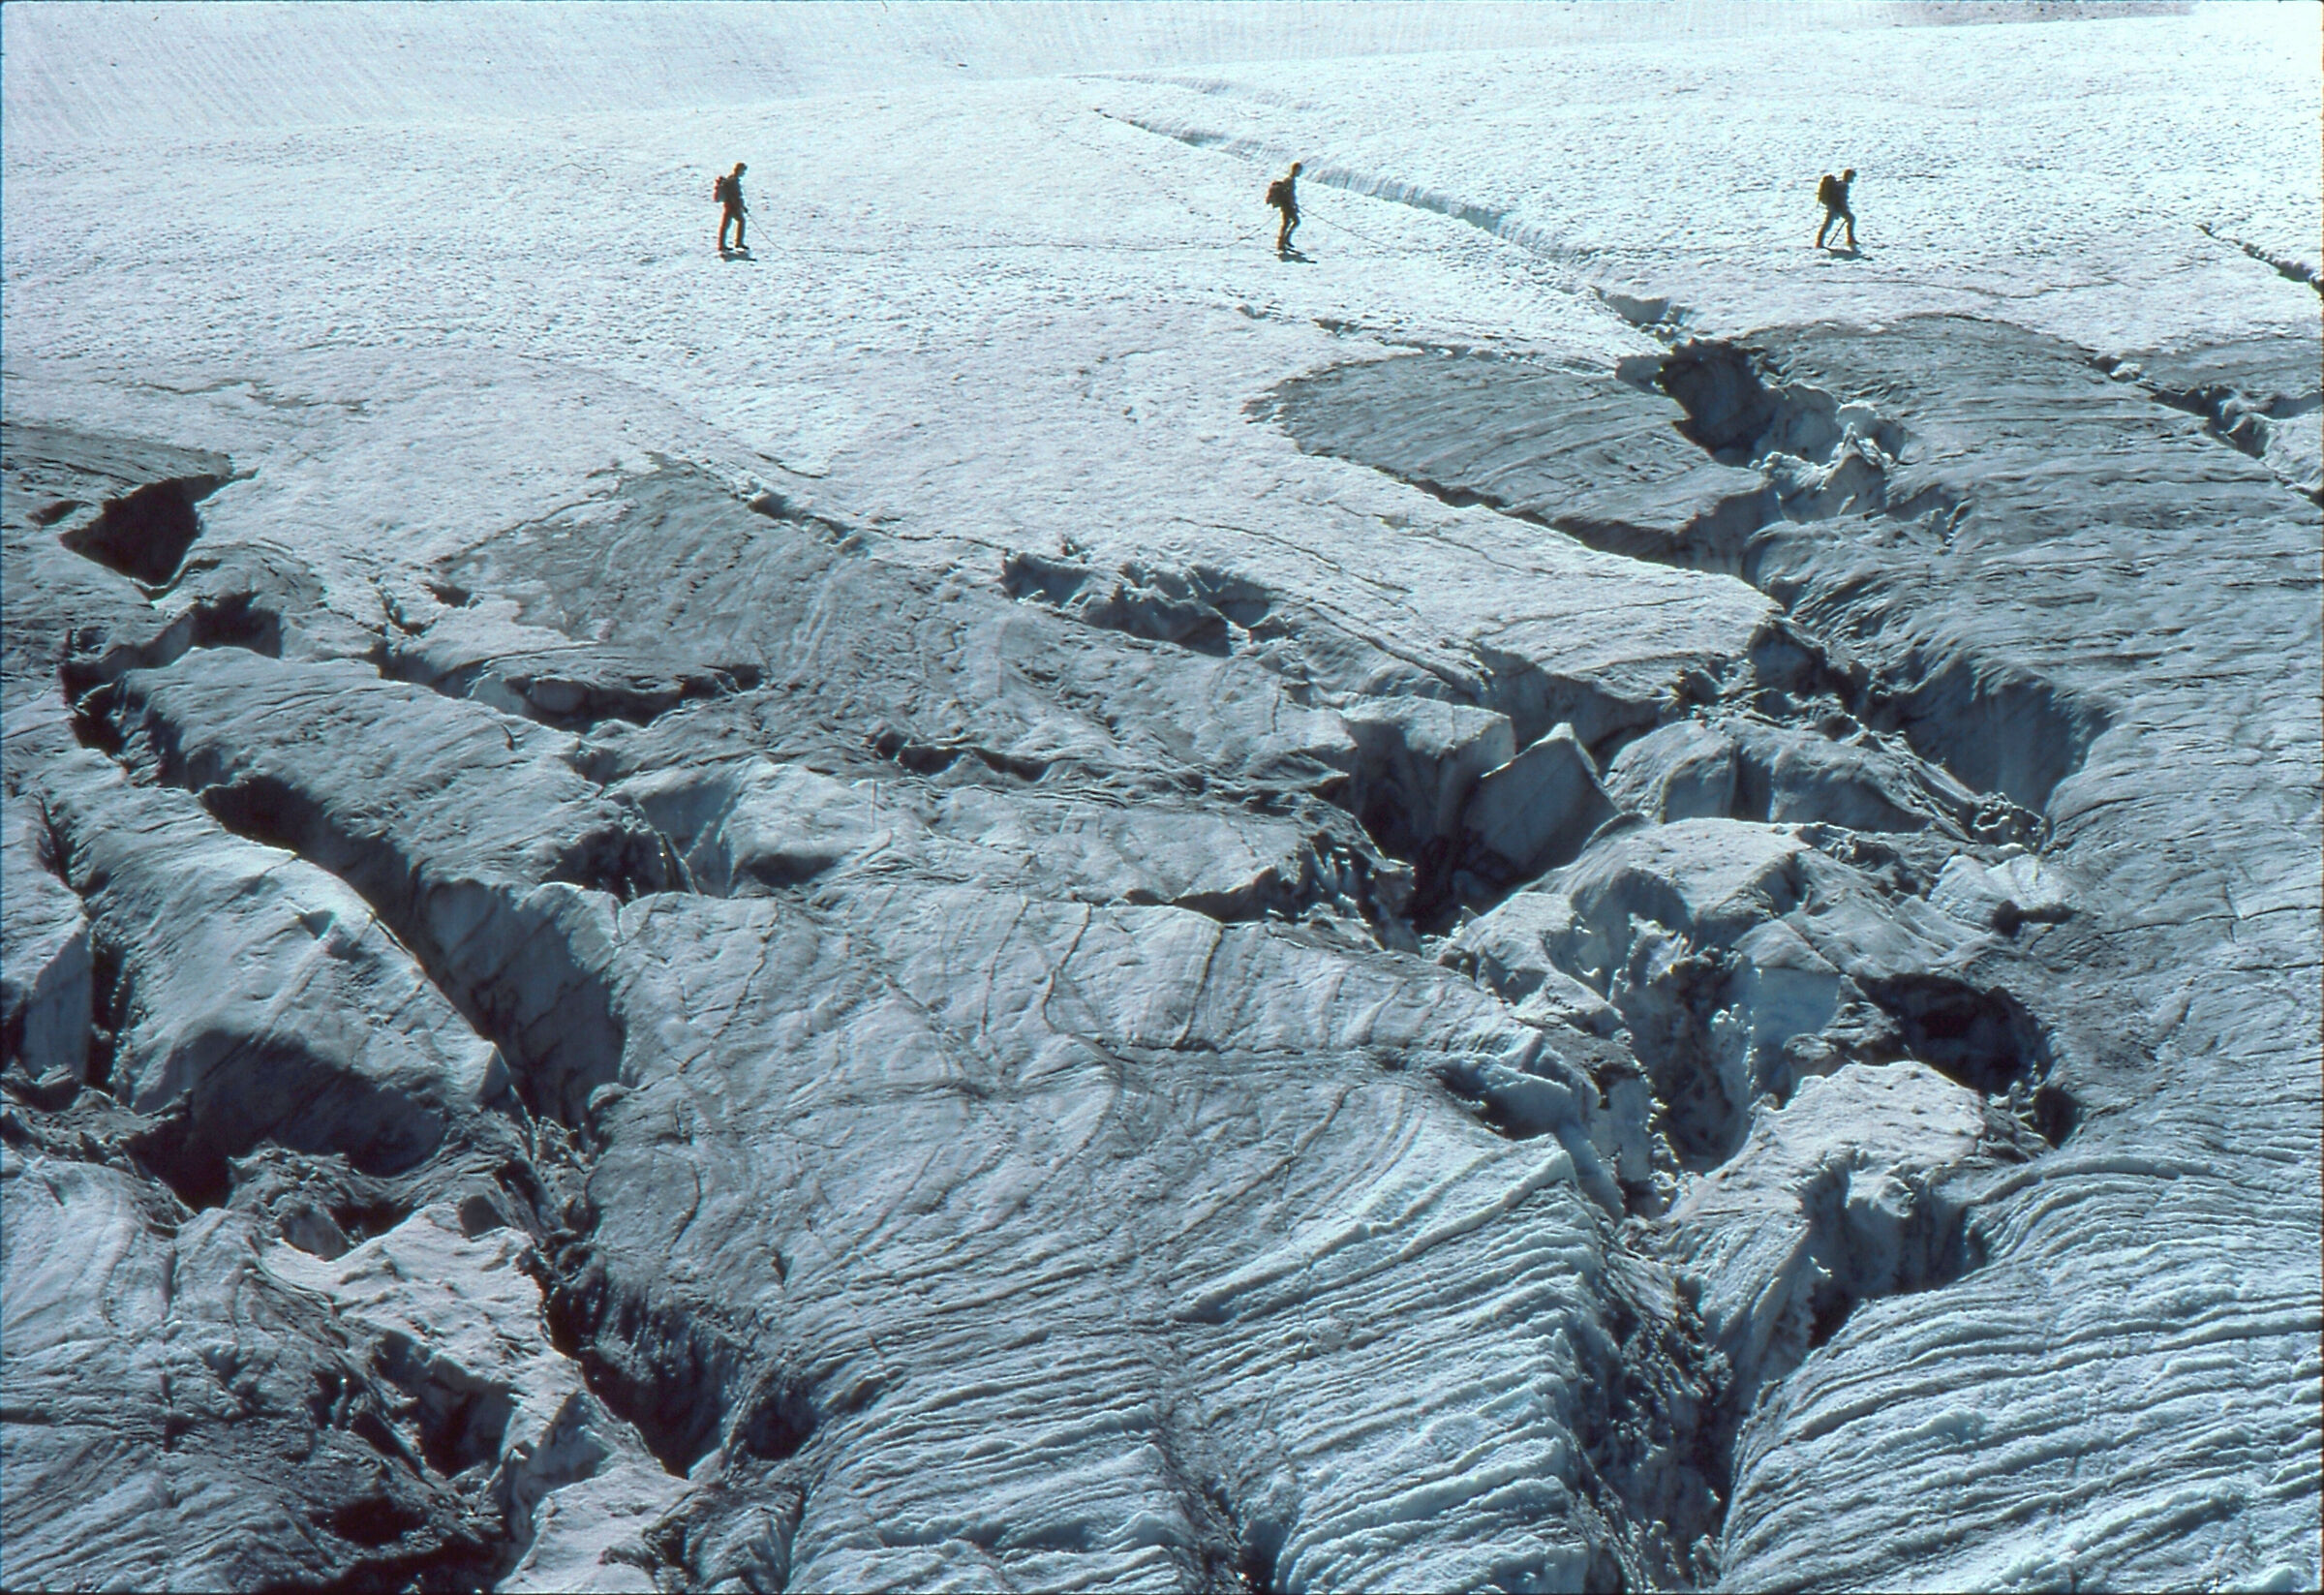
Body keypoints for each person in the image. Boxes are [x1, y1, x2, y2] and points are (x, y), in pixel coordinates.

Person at [1816, 169, 1857, 251]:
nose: (1852, 179)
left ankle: (1850, 238)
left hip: (1836, 208)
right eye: (1852, 177)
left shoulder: (1841, 185)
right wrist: (1841, 210)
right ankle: (1819, 242)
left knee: (1850, 219)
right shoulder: (1843, 186)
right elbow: (1841, 200)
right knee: (1828, 225)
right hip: (1836, 208)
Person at [1266, 161, 1302, 255]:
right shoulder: (1289, 180)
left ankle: (1283, 241)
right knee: (1294, 222)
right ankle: (1284, 240)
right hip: (1287, 205)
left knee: (1287, 223)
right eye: (1299, 170)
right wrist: (1293, 205)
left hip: (1286, 204)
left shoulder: (1289, 180)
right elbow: (1290, 194)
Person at [716, 162, 749, 253]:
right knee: (732, 223)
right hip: (732, 207)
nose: (743, 173)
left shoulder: (732, 180)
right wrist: (740, 206)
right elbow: (735, 196)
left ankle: (724, 244)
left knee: (727, 225)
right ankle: (735, 243)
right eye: (743, 171)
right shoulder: (732, 181)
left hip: (731, 206)